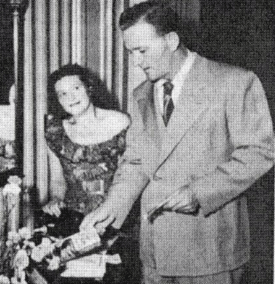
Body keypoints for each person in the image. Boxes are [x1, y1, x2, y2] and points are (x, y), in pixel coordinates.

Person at [80, 2, 274, 284]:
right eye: (131, 52)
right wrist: (110, 207)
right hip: (155, 251)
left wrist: (199, 192)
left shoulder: (234, 82)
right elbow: (137, 162)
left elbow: (260, 152)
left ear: (171, 40)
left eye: (142, 50)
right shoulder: (142, 94)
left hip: (210, 251)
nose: (136, 61)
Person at [40, 64, 139, 283]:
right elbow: (58, 179)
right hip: (75, 226)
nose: (70, 97)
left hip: (119, 223)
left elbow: (135, 173)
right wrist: (56, 199)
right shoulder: (55, 131)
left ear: (89, 88)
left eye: (76, 88)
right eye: (62, 93)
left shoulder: (121, 122)